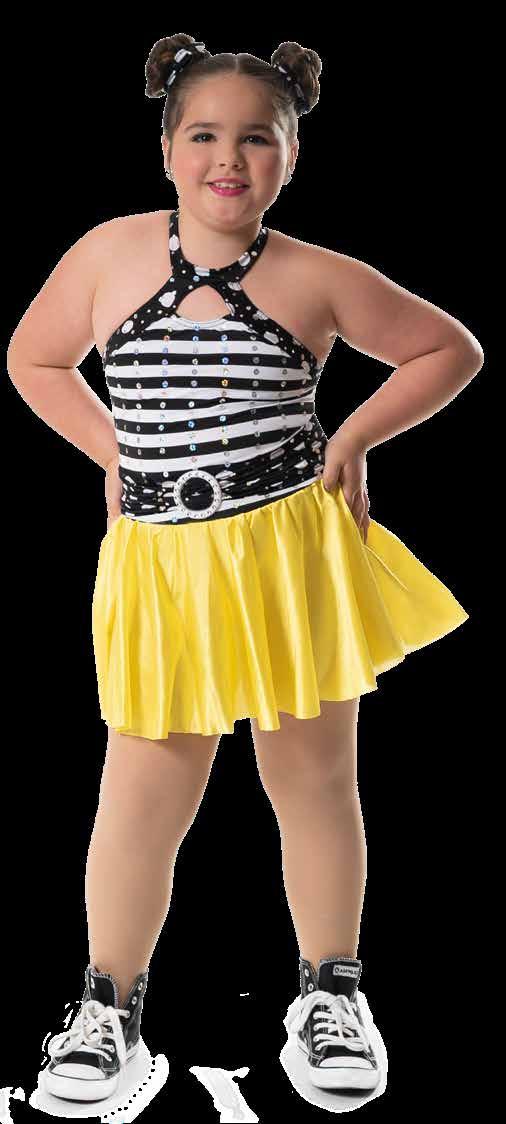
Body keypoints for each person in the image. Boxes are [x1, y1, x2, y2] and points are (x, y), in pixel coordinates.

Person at [7, 35, 482, 1103]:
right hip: (161, 565)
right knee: (142, 790)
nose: (229, 159)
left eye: (257, 139)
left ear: (291, 154)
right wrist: (114, 453)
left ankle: (331, 992)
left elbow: (446, 348)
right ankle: (106, 1007)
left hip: (285, 556)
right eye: (204, 136)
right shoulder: (107, 253)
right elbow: (33, 357)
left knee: (310, 780)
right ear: (166, 148)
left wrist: (352, 438)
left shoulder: (314, 274)